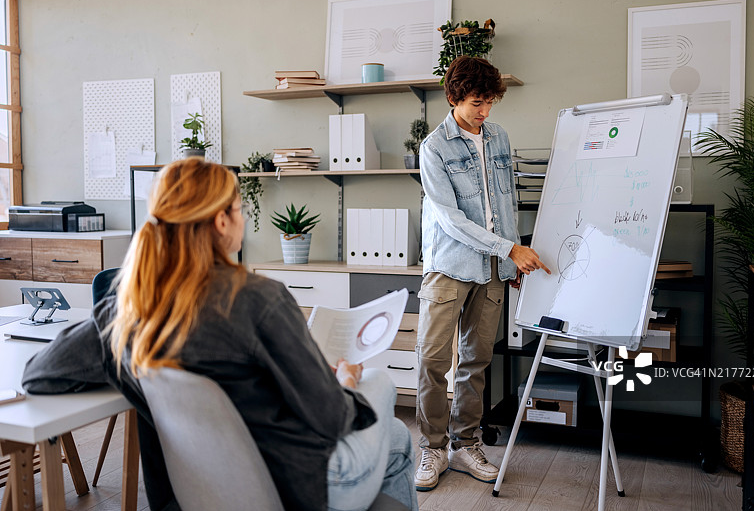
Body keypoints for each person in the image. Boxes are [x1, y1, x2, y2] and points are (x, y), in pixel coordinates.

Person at [22, 157, 418, 511]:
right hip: (300, 486)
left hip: (193, 489)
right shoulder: (257, 299)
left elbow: (39, 374)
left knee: (397, 436)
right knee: (380, 387)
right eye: (240, 209)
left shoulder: (124, 310)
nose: (243, 219)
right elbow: (331, 418)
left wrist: (124, 376)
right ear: (221, 221)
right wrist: (346, 384)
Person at [414, 56, 551, 491]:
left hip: (492, 268)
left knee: (476, 360)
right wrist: (509, 248)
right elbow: (451, 219)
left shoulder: (499, 138)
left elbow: (507, 203)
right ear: (453, 98)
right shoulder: (434, 147)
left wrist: (508, 262)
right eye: (477, 102)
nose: (485, 111)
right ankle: (432, 448)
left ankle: (465, 444)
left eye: (490, 102)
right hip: (449, 266)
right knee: (433, 360)